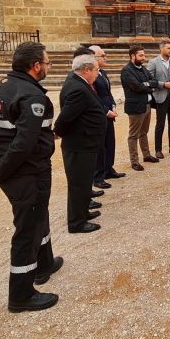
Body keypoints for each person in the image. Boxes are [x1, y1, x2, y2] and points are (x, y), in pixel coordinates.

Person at [0, 41, 62, 312]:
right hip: (26, 173)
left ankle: (44, 263)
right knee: (28, 229)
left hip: (11, 169)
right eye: (47, 63)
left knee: (39, 216)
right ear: (36, 66)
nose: (48, 67)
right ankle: (21, 295)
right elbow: (23, 144)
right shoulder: (32, 97)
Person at [54, 55, 107, 233]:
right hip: (79, 144)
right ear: (86, 70)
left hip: (85, 143)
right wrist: (57, 132)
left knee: (84, 181)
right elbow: (66, 117)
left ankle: (83, 212)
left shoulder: (77, 82)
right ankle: (77, 222)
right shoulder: (77, 88)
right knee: (78, 183)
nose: (97, 74)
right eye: (96, 70)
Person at [89, 45, 125, 189]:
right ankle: (98, 177)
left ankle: (109, 169)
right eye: (103, 56)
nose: (106, 58)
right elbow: (93, 96)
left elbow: (107, 93)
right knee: (100, 146)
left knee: (110, 143)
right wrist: (105, 110)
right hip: (100, 114)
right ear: (93, 58)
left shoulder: (102, 73)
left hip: (109, 113)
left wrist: (113, 105)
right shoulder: (92, 75)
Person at [120, 45, 160, 171]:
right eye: (141, 55)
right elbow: (136, 87)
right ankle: (134, 161)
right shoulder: (126, 71)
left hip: (147, 105)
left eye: (144, 55)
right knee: (133, 135)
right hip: (135, 107)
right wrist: (149, 85)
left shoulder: (143, 69)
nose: (144, 57)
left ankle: (146, 155)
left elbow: (153, 81)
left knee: (144, 132)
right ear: (133, 56)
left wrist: (147, 84)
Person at [147, 41, 170, 158]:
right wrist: (163, 84)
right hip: (161, 97)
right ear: (161, 48)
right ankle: (158, 150)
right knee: (160, 124)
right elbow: (149, 80)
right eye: (168, 48)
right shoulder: (153, 62)